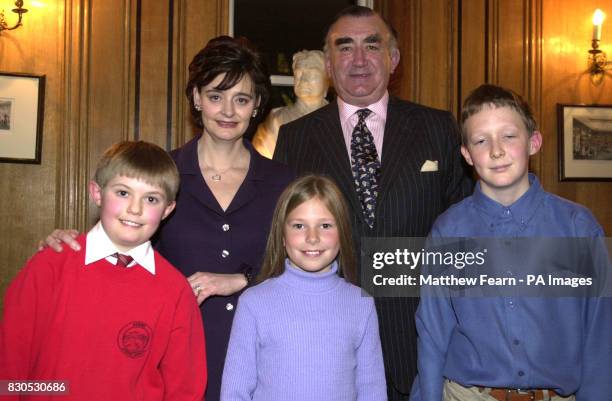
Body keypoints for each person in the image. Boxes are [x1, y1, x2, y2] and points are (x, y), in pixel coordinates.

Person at [39, 36, 295, 401]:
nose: (227, 110)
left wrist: (243, 279)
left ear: (256, 106)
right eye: (215, 95)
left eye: (241, 99)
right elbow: (119, 242)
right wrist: (70, 245)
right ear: (196, 98)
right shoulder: (162, 175)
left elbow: (306, 264)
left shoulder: (283, 182)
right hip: (173, 352)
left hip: (265, 352)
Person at [273, 6, 472, 399]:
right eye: (345, 48)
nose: (359, 60)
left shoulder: (437, 128)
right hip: (322, 345)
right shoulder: (294, 138)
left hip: (419, 345)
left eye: (372, 45)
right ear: (329, 63)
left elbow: (463, 235)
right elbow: (280, 238)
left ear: (393, 58)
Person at [410, 84, 612, 401]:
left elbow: (600, 334)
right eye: (480, 140)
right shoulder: (448, 230)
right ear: (466, 154)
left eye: (508, 135)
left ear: (533, 142)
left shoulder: (577, 227)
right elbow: (433, 333)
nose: (496, 150)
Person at [0, 141, 206, 401]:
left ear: (167, 210)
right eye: (123, 193)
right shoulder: (50, 266)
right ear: (97, 193)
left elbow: (185, 389)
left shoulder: (175, 291)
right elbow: (10, 369)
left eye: (151, 199)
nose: (135, 208)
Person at [220, 175, 387, 401]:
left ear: (343, 233)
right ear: (282, 234)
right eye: (299, 226)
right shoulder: (254, 302)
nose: (312, 238)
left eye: (325, 225)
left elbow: (372, 388)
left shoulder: (360, 302)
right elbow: (235, 391)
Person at [252, 50, 329, 158]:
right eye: (298, 74)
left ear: (326, 82)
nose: (303, 80)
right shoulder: (276, 119)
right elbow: (263, 161)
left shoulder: (338, 120)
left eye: (312, 74)